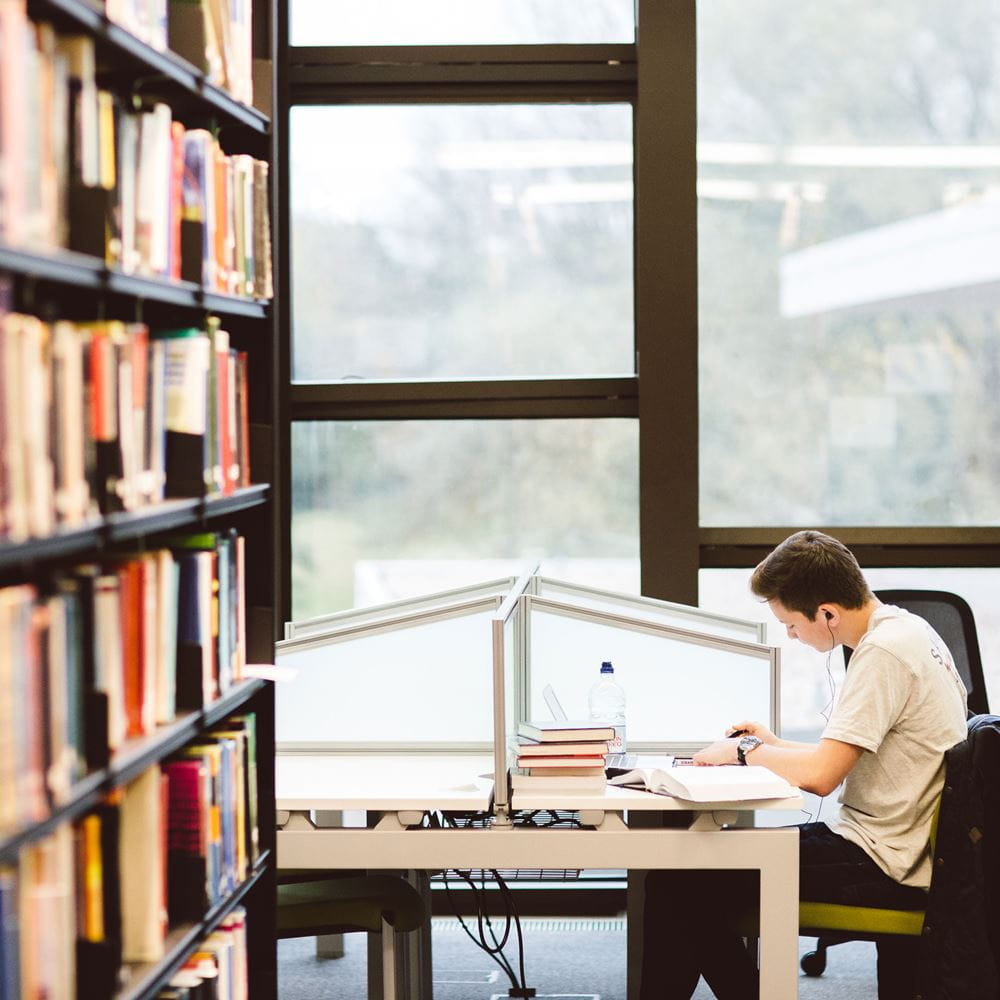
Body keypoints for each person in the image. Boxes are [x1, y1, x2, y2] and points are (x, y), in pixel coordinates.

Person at [639, 530, 968, 1000]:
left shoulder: (882, 654)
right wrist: (773, 745)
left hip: (880, 858)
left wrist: (742, 752)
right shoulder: (907, 630)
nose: (790, 637)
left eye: (792, 624)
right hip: (897, 844)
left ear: (827, 612)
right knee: (688, 879)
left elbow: (820, 777)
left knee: (679, 886)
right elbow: (835, 757)